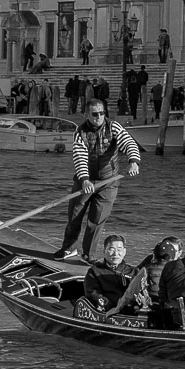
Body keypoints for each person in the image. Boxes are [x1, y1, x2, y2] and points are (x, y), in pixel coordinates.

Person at [55, 100, 140, 262]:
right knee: (74, 217)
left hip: (108, 182)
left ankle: (88, 255)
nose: (99, 117)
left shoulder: (113, 127)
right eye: (95, 114)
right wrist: (85, 180)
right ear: (87, 115)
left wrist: (133, 161)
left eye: (102, 113)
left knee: (96, 221)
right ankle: (69, 249)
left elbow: (129, 143)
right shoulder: (80, 132)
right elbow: (80, 157)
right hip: (84, 181)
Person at [82, 234, 132, 311]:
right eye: (111, 249)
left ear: (124, 252)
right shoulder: (95, 271)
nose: (116, 254)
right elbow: (93, 293)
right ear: (104, 250)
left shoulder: (133, 271)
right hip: (108, 310)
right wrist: (105, 303)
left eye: (119, 250)